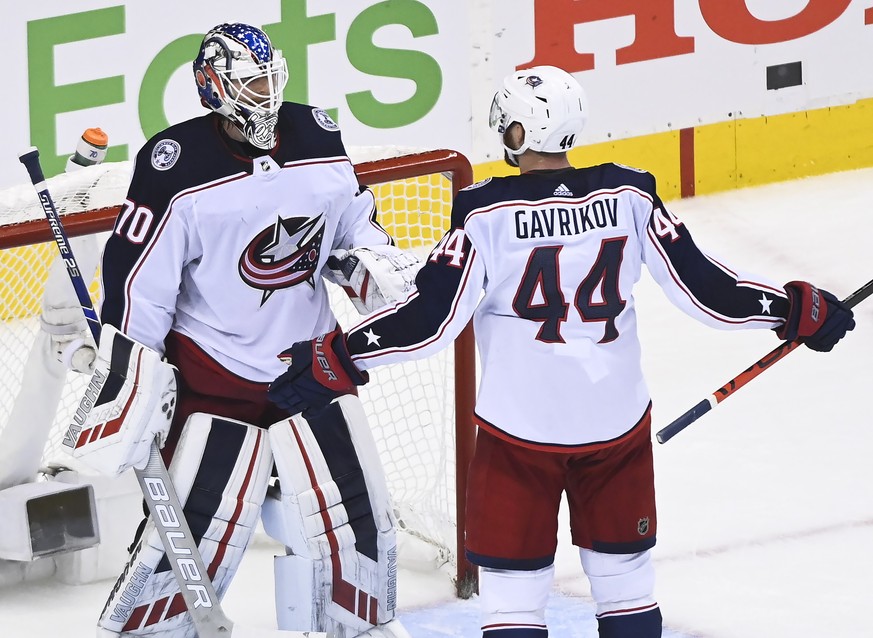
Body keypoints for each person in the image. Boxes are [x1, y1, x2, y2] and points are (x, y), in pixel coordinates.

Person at [267, 65, 856, 638]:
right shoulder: (630, 193)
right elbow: (709, 295)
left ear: (519, 132)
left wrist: (339, 355)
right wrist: (795, 308)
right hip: (615, 425)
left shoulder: (484, 213)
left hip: (518, 433)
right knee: (627, 587)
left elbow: (431, 322)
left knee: (513, 603)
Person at [68, 22, 413, 638]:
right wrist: (132, 378)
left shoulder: (317, 133)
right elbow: (139, 282)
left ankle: (360, 627)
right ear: (216, 89)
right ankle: (156, 629)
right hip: (216, 375)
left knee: (356, 521)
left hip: (312, 363)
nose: (267, 93)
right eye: (251, 82)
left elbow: (347, 228)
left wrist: (373, 262)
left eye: (270, 76)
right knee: (197, 532)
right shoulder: (174, 162)